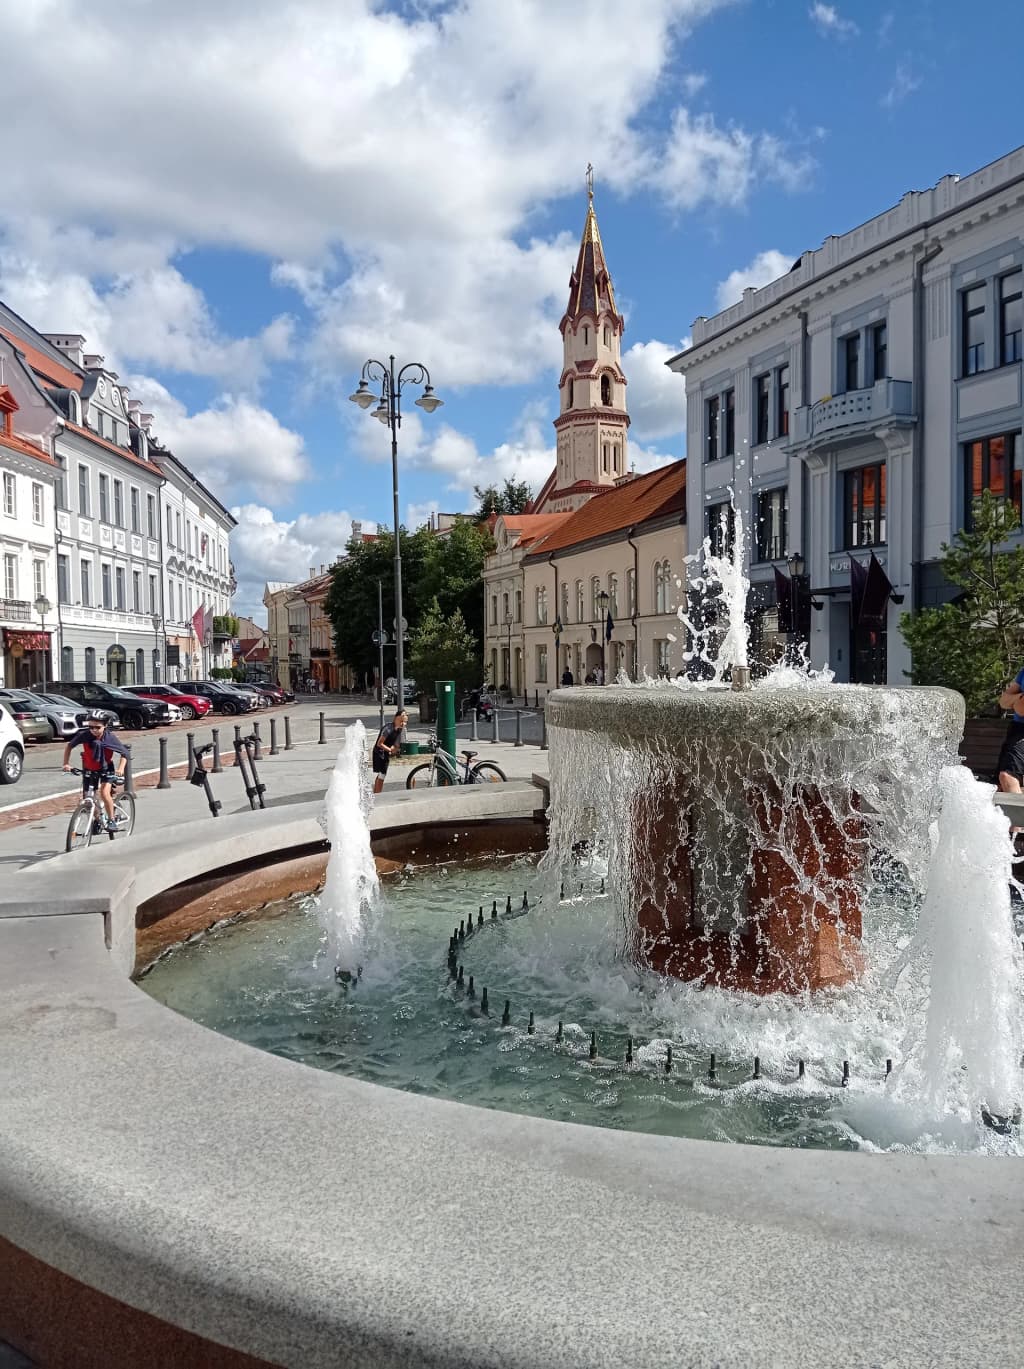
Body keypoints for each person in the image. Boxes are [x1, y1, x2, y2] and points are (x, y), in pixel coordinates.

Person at [62, 711, 129, 831]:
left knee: (104, 793)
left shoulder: (110, 738)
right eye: (91, 727)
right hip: (89, 768)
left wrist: (120, 769)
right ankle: (98, 819)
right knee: (88, 797)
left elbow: (125, 753)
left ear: (105, 726)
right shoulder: (85, 735)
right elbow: (69, 746)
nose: (94, 730)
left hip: (106, 769)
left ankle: (111, 820)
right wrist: (66, 763)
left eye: (97, 727)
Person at [372, 708, 408, 795]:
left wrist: (395, 747)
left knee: (381, 774)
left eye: (406, 716)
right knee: (382, 774)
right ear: (397, 718)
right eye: (403, 716)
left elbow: (395, 741)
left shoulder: (399, 728)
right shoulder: (388, 729)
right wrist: (390, 750)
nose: (404, 723)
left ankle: (376, 793)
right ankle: (377, 795)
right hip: (379, 753)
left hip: (385, 752)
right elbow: (379, 744)